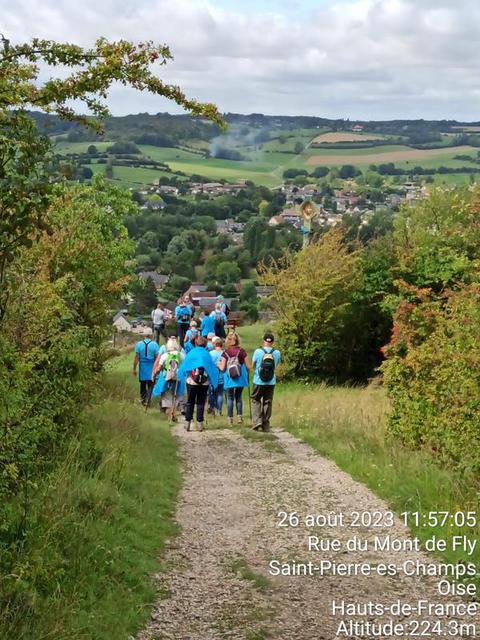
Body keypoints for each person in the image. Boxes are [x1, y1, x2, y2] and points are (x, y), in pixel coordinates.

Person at [178, 335, 219, 432]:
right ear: (205, 345)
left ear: (195, 344)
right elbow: (212, 368)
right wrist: (213, 381)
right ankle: (200, 424)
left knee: (190, 401)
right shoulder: (207, 354)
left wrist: (182, 374)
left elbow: (185, 366)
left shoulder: (192, 353)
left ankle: (187, 423)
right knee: (201, 402)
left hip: (191, 381)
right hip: (204, 382)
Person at [219, 332, 251, 425]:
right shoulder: (242, 351)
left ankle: (230, 418)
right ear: (237, 340)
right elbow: (248, 366)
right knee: (238, 397)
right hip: (240, 377)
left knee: (229, 397)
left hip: (230, 378)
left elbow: (222, 368)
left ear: (227, 341)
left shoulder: (225, 353)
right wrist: (247, 372)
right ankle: (239, 417)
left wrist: (218, 365)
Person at [251, 332, 281, 432]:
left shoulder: (258, 351)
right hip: (271, 381)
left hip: (258, 380)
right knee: (267, 402)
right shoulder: (276, 353)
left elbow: (253, 365)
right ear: (272, 342)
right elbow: (276, 365)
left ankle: (257, 422)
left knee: (256, 400)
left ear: (264, 341)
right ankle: (266, 423)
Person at [151, 337, 185, 420]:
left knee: (167, 397)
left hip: (166, 378)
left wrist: (154, 373)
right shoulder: (181, 355)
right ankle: (173, 413)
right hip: (178, 379)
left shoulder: (165, 355)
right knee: (176, 396)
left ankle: (170, 414)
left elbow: (158, 368)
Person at [133, 335, 160, 405]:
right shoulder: (155, 344)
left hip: (142, 366)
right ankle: (148, 399)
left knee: (142, 384)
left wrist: (134, 368)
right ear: (151, 335)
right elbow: (157, 357)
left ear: (144, 335)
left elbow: (136, 358)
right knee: (151, 384)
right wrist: (157, 368)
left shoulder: (138, 344)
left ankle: (143, 399)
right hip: (151, 366)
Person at [208, 337, 225, 416]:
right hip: (222, 376)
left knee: (212, 393)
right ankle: (219, 410)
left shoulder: (211, 353)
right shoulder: (224, 353)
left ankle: (212, 408)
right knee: (220, 394)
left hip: (212, 376)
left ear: (215, 344)